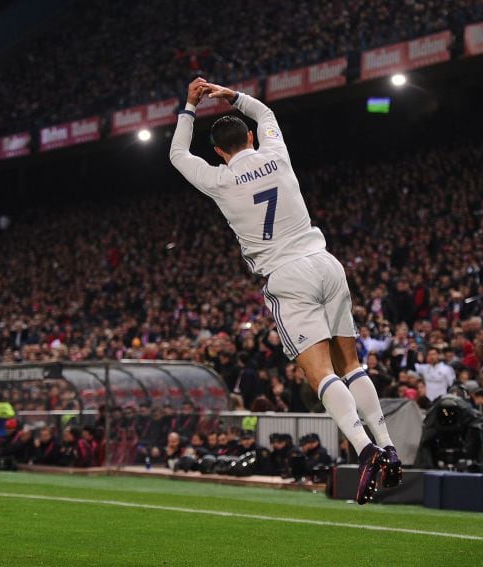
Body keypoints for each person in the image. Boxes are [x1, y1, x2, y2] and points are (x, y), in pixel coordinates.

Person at [170, 77, 401, 503]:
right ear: (251, 138)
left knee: (320, 374)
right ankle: (387, 445)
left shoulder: (219, 180)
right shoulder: (275, 153)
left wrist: (189, 105)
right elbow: (266, 113)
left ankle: (365, 450)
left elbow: (178, 154)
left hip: (287, 274)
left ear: (219, 152)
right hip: (327, 261)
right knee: (351, 363)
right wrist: (229, 94)